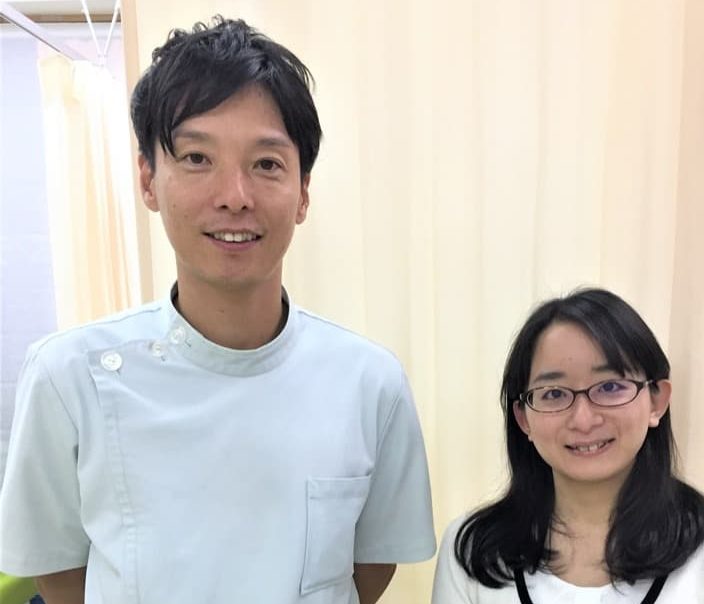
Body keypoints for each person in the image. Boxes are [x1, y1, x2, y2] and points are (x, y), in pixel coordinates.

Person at [0, 17, 435, 604]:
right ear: (148, 179)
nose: (234, 196)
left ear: (303, 192)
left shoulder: (370, 382)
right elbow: (58, 573)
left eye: (267, 164)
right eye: (198, 157)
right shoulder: (67, 375)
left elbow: (372, 563)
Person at [432, 288, 704, 603]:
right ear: (523, 418)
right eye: (554, 393)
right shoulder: (474, 552)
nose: (583, 419)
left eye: (609, 387)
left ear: (657, 401)